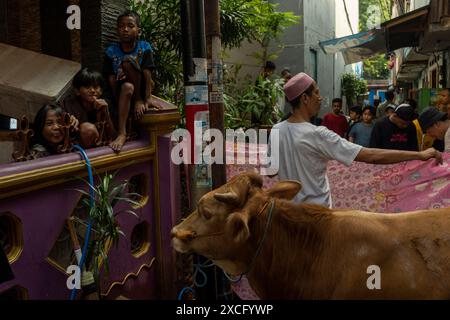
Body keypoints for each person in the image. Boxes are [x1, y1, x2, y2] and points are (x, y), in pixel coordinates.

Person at [271, 72, 442, 207]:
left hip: (287, 217)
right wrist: (419, 155)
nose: (320, 97)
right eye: (316, 92)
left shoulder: (276, 130)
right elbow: (371, 155)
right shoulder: (318, 134)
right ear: (304, 98)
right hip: (317, 218)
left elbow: (272, 171)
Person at [103, 10, 156, 152]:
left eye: (130, 26)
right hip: (123, 90)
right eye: (121, 26)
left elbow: (147, 73)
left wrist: (147, 97)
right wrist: (116, 100)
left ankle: (137, 100)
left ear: (138, 30)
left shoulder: (144, 47)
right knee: (126, 87)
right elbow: (111, 79)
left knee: (127, 62)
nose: (125, 29)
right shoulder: (111, 51)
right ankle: (122, 134)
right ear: (117, 30)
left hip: (140, 88)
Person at [62, 68, 116, 149]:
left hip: (102, 146)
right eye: (87, 87)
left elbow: (114, 137)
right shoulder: (69, 105)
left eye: (95, 87)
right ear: (77, 91)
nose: (92, 90)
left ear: (101, 91)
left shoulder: (106, 104)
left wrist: (106, 114)